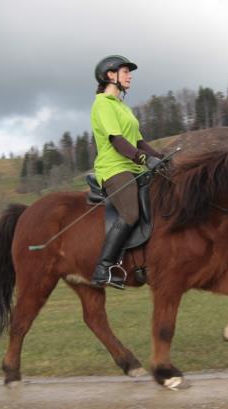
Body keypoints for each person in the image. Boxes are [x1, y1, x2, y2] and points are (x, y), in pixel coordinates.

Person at [90, 55, 163, 289]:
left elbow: (138, 141)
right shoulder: (102, 103)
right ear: (110, 76)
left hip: (133, 167)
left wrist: (160, 158)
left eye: (129, 72)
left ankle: (145, 262)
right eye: (125, 71)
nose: (129, 75)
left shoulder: (123, 107)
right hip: (114, 168)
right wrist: (143, 159)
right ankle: (103, 267)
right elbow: (117, 140)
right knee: (131, 213)